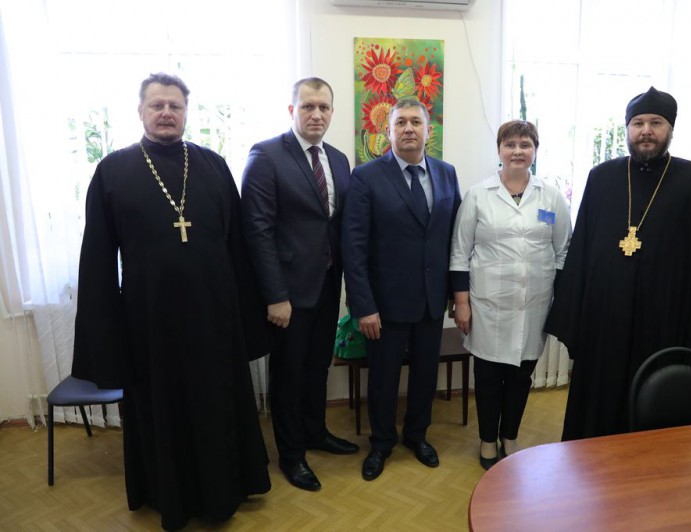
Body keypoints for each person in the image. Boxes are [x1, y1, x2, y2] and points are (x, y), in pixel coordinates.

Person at [71, 73, 271, 530]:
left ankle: (224, 490)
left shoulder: (212, 165)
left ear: (185, 112)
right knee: (162, 408)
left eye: (175, 106)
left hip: (214, 318)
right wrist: (105, 336)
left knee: (215, 403)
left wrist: (247, 317)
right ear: (140, 111)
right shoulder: (112, 170)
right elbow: (97, 259)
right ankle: (168, 495)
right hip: (149, 321)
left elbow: (239, 247)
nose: (166, 113)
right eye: (157, 105)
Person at [545, 86, 691, 441]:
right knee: (597, 408)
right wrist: (574, 315)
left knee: (653, 410)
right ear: (627, 128)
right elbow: (581, 248)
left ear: (670, 128)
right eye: (638, 123)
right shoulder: (602, 177)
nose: (646, 130)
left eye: (656, 123)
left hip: (663, 322)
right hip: (604, 321)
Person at [240, 77, 358, 492]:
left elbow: (337, 225)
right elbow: (257, 231)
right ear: (292, 110)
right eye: (308, 106)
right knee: (288, 374)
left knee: (317, 367)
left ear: (332, 112)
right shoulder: (266, 155)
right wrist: (275, 296)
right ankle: (291, 455)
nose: (316, 114)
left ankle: (315, 432)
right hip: (287, 294)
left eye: (324, 107)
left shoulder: (339, 160)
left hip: (327, 285)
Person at [343, 98, 462, 481]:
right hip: (385, 304)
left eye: (416, 122)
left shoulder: (446, 173)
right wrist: (363, 305)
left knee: (425, 375)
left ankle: (417, 435)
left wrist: (457, 295)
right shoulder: (366, 176)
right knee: (383, 379)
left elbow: (455, 239)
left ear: (429, 130)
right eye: (400, 123)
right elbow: (354, 246)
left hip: (431, 299)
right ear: (388, 130)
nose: (408, 128)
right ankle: (381, 443)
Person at [450, 120, 571, 469]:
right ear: (499, 150)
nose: (518, 151)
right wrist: (461, 303)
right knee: (488, 378)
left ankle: (511, 436)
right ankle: (488, 440)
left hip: (534, 306)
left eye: (525, 144)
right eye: (510, 144)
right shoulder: (478, 195)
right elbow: (459, 252)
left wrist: (558, 303)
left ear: (535, 150)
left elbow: (563, 252)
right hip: (487, 306)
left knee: (520, 378)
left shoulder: (550, 196)